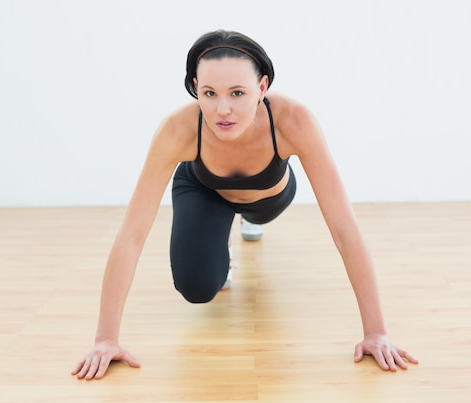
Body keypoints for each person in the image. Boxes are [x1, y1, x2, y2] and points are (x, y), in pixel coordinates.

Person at [72, 29, 418, 380]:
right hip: (205, 189)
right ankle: (220, 236)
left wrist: (375, 332)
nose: (223, 109)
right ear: (196, 88)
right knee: (198, 287)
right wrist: (105, 339)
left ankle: (249, 223)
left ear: (262, 87)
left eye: (238, 93)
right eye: (209, 93)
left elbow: (344, 228)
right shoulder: (178, 130)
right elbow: (132, 234)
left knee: (258, 212)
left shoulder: (293, 121)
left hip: (269, 197)